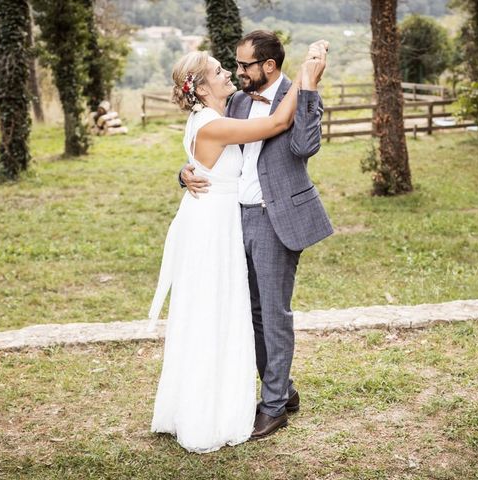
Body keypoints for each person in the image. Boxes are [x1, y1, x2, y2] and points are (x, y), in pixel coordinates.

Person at [148, 41, 328, 453]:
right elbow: (215, 143)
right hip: (224, 222)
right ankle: (273, 391)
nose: (234, 72)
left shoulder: (248, 103)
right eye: (223, 69)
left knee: (269, 311)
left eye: (242, 65)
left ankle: (277, 401)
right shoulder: (232, 109)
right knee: (241, 312)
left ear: (267, 64)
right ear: (201, 86)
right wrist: (185, 172)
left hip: (266, 218)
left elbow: (300, 144)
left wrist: (306, 84)